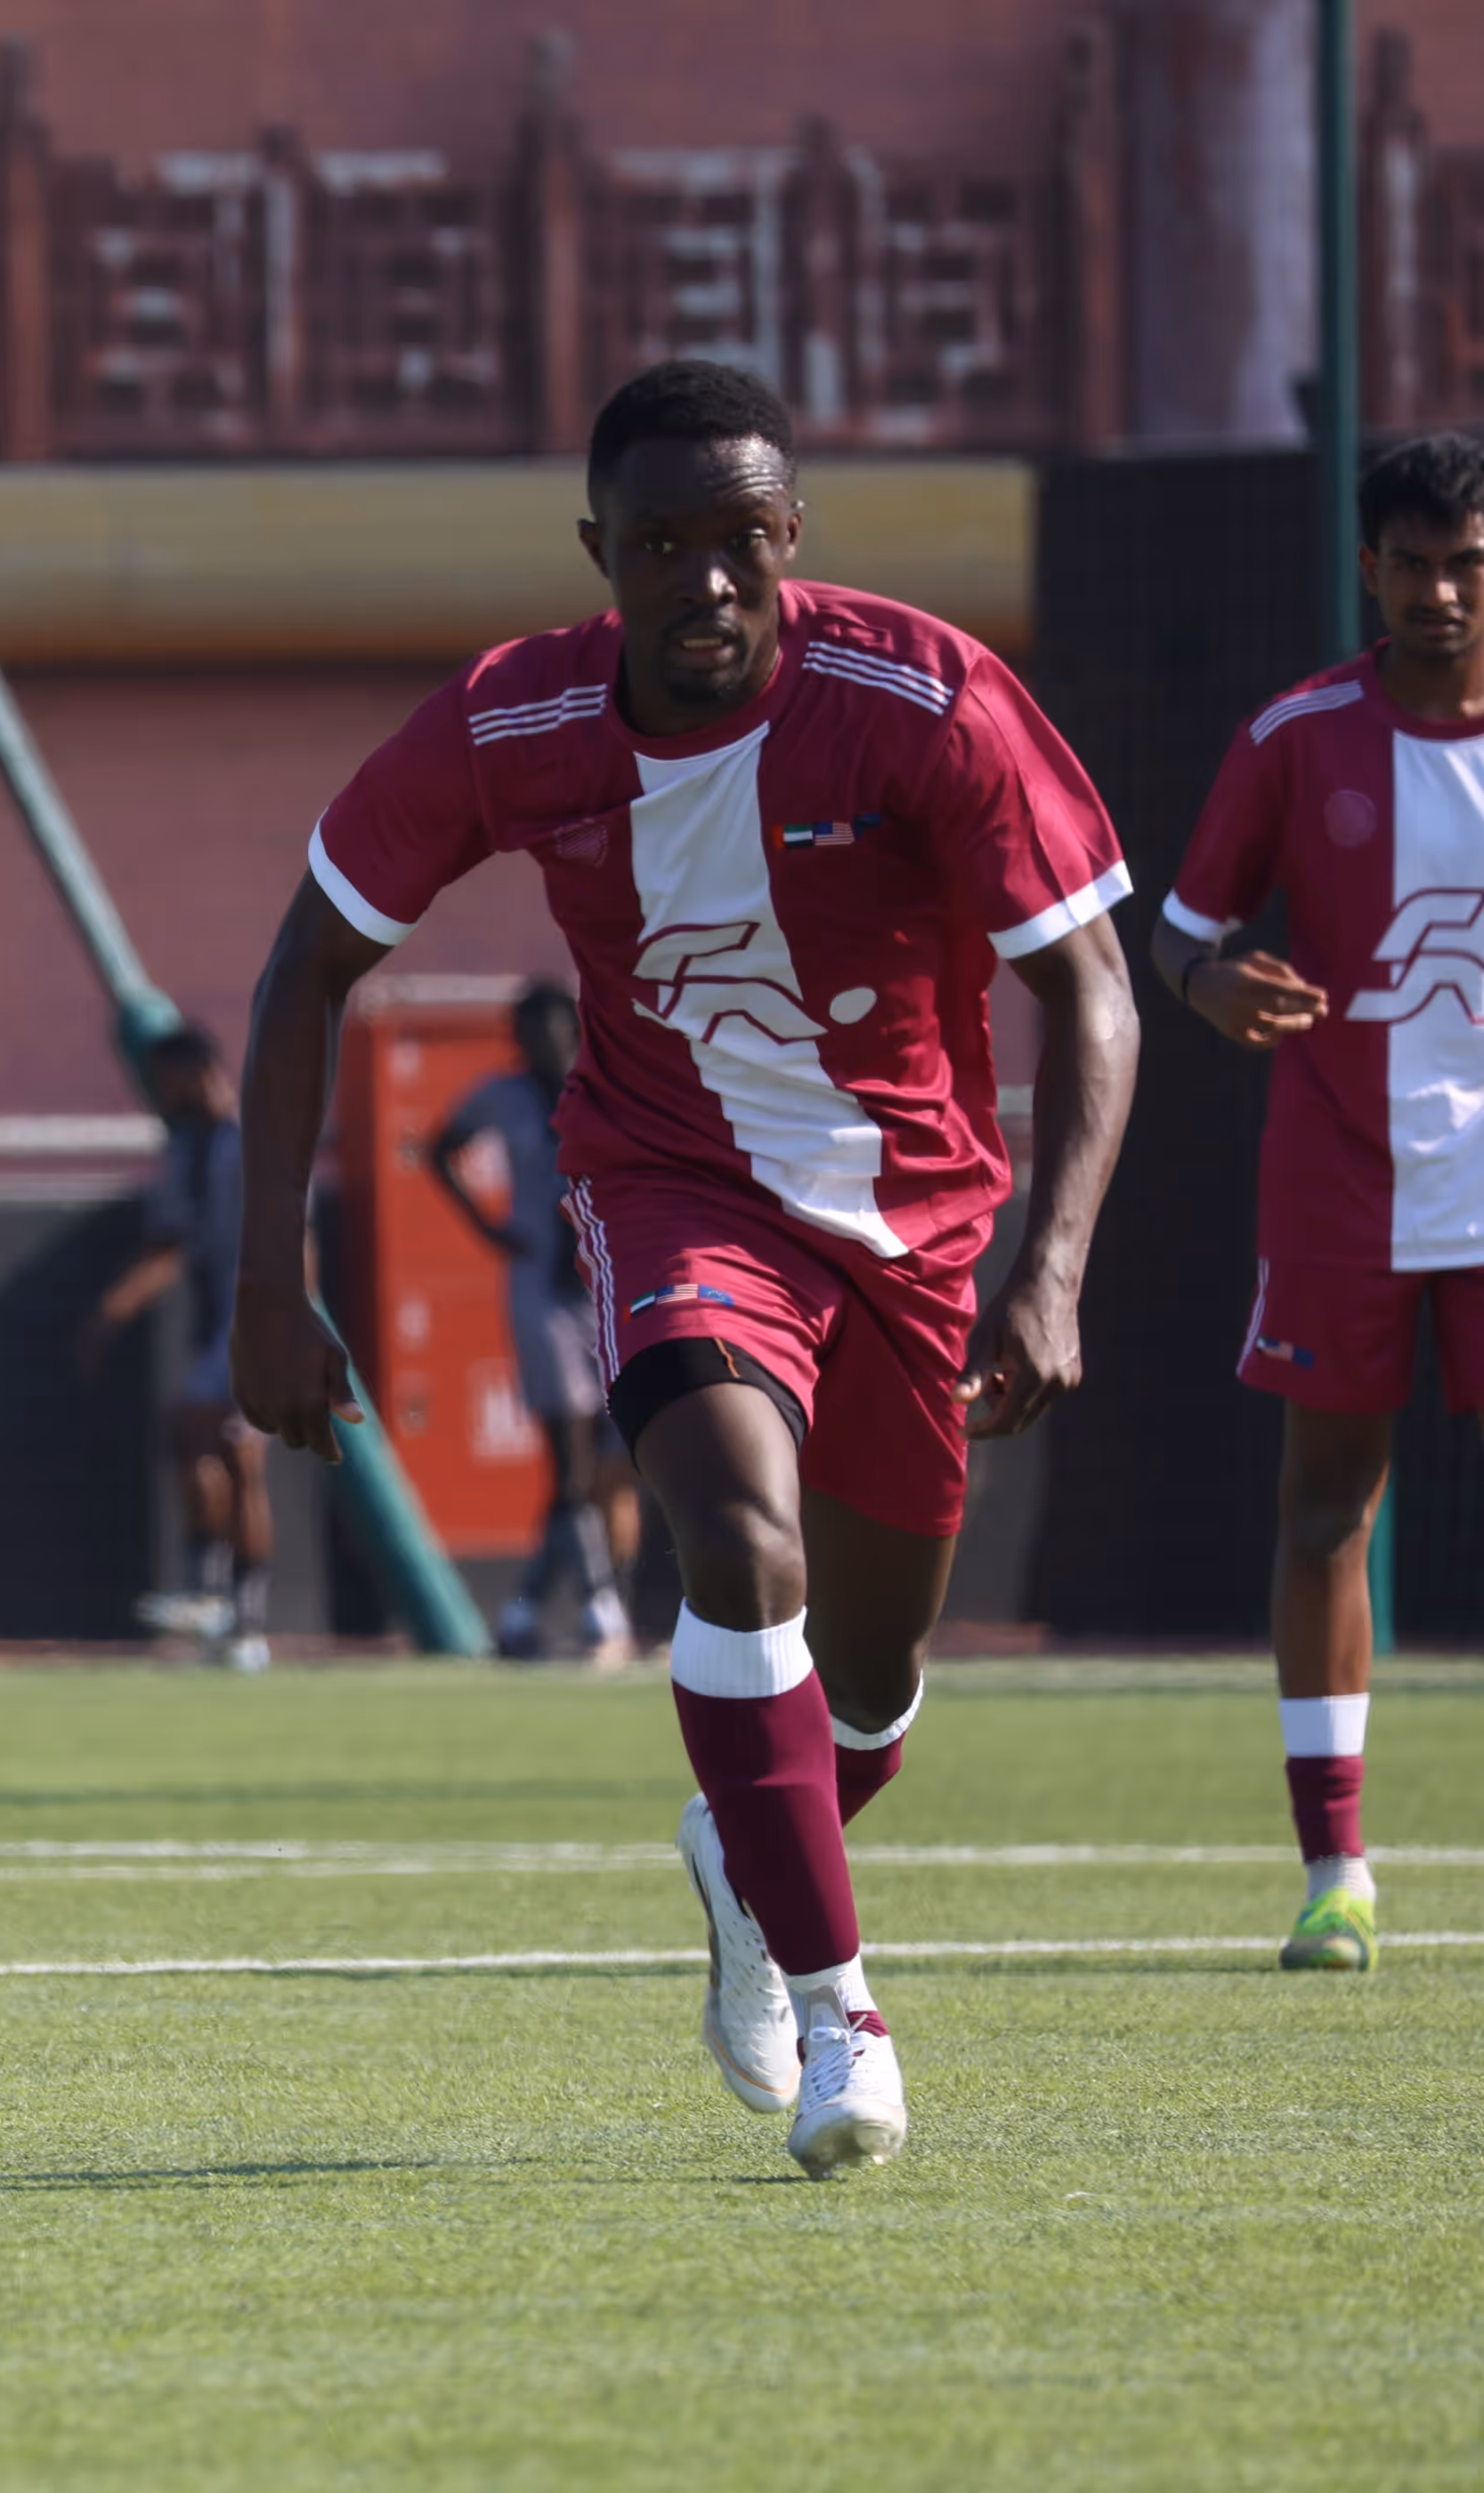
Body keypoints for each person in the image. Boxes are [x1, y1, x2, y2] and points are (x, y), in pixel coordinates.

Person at [230, 361, 1137, 2177]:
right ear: (602, 554)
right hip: (669, 1189)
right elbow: (306, 960)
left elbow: (1091, 987)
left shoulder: (924, 697)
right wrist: (270, 1275)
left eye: (739, 539)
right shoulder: (515, 719)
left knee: (865, 1687)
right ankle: (842, 2013)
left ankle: (741, 1848)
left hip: (918, 1228)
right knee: (739, 1547)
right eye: (662, 543)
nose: (705, 579)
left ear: (791, 534)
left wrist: (1052, 1270)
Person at [1156, 426, 1484, 1976]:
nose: (1441, 592)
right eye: (1414, 564)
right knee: (1323, 1511)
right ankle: (1335, 1866)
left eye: (1468, 566)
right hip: (1347, 1181)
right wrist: (1215, 983)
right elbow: (1178, 931)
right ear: (1369, 570)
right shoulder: (1297, 736)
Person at [429, 982, 637, 1663]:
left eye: (547, 1032)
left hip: (606, 1284)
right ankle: (602, 1609)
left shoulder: (606, 1087)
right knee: (571, 1454)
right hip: (542, 1293)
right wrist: (488, 1226)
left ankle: (523, 1611)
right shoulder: (502, 1095)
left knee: (612, 1463)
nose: (537, 1047)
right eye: (525, 1034)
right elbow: (441, 1148)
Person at [77, 1023, 272, 1668]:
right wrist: (114, 1309)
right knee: (199, 1440)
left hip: (260, 1318)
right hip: (219, 1326)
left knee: (231, 1449)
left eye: (167, 1081)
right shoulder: (190, 1151)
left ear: (196, 1071)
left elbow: (293, 1234)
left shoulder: (251, 1141)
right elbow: (171, 1244)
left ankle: (241, 1612)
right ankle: (216, 1597)